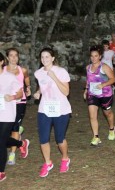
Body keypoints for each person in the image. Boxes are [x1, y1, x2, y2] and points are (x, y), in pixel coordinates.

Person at [33, 47, 71, 178]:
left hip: (61, 109)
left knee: (60, 138)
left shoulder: (61, 71)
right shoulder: (38, 73)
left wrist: (54, 77)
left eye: (47, 57)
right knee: (43, 139)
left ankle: (65, 158)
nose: (44, 59)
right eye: (42, 57)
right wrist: (38, 92)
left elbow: (66, 92)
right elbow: (43, 87)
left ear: (53, 58)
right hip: (45, 109)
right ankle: (48, 162)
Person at [0, 52, 29, 182]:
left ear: (1, 62)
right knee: (4, 139)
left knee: (1, 142)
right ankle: (21, 143)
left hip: (7, 113)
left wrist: (11, 97)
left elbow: (19, 93)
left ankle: (1, 172)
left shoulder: (9, 77)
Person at [83, 45, 115, 146]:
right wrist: (85, 90)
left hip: (105, 94)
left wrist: (103, 84)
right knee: (92, 116)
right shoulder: (88, 67)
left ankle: (111, 128)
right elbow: (88, 80)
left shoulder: (104, 67)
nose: (93, 58)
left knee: (108, 114)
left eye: (96, 56)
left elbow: (113, 79)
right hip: (93, 94)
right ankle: (96, 137)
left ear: (100, 56)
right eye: (92, 56)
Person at [4, 48, 31, 165]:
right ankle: (21, 141)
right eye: (11, 55)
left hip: (20, 102)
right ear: (7, 57)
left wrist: (28, 87)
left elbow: (26, 78)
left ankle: (12, 154)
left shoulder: (22, 70)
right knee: (6, 128)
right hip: (6, 103)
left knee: (14, 127)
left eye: (16, 55)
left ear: (18, 57)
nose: (14, 58)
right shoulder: (3, 70)